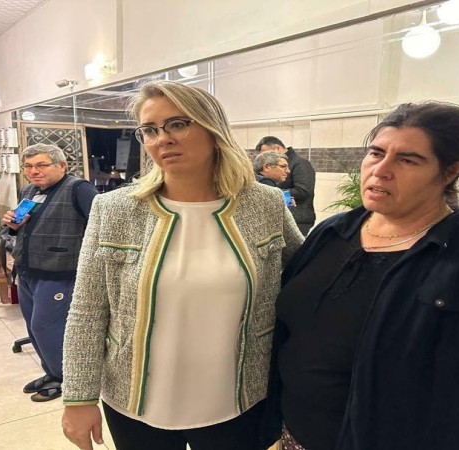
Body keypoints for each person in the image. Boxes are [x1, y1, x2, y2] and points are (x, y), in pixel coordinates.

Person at [263, 102, 459, 450]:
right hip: (295, 435)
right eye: (376, 153)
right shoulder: (334, 231)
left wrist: (443, 390)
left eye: (408, 160)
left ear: (450, 171)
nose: (381, 170)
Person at [61, 81, 303, 450]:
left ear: (212, 129)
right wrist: (78, 398)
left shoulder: (264, 204)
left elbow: (307, 278)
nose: (162, 139)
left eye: (177, 124)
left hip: (238, 398)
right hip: (135, 402)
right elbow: (88, 310)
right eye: (150, 130)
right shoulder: (114, 209)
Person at [1, 144, 97, 402]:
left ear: (61, 165)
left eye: (41, 165)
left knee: (47, 326)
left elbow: (100, 227)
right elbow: (20, 228)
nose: (34, 171)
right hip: (28, 269)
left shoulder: (79, 189)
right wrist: (13, 225)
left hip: (59, 271)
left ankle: (67, 378)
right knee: (33, 327)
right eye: (28, 166)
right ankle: (52, 372)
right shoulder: (30, 191)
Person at [256, 137, 316, 235]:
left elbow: (303, 190)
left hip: (297, 219)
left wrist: (275, 194)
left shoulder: (300, 163)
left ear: (277, 148)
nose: (264, 157)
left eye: (266, 153)